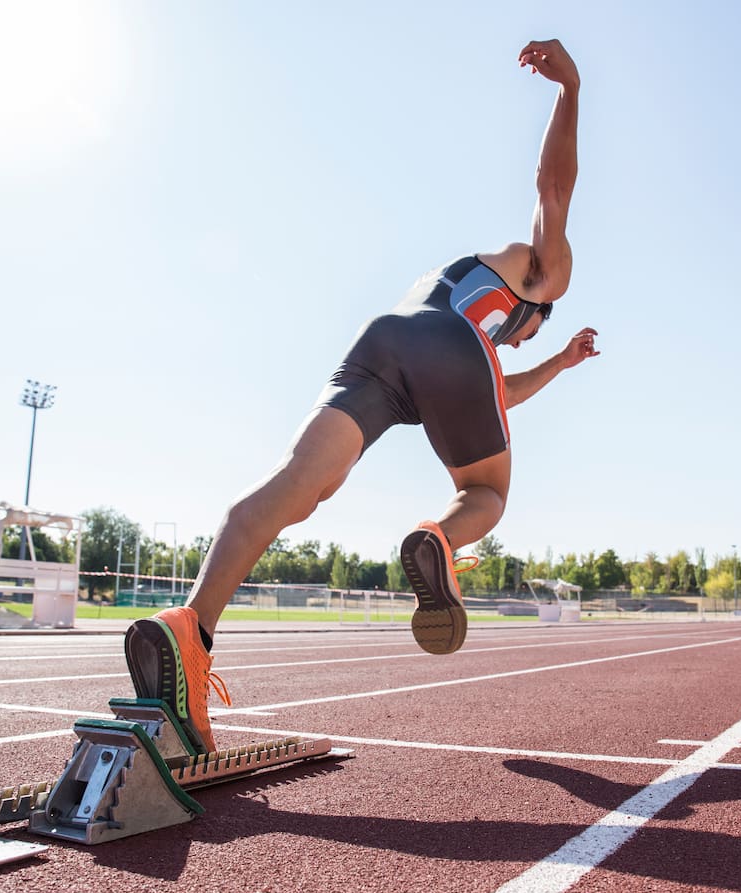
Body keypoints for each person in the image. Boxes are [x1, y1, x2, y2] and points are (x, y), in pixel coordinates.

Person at [126, 39, 599, 753]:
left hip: (384, 340)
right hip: (444, 353)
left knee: (299, 484)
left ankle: (191, 628)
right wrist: (571, 91)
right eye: (527, 336)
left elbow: (496, 392)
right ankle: (438, 539)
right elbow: (552, 192)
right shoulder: (541, 277)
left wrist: (559, 364)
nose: (517, 343)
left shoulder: (464, 289)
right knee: (488, 495)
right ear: (534, 306)